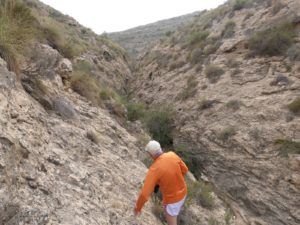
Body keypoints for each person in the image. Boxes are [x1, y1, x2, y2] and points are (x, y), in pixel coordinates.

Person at [134, 140, 188, 225]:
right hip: (183, 192)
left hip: (172, 200)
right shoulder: (172, 155)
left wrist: (138, 208)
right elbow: (185, 170)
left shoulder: (154, 169)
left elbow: (144, 194)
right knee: (176, 213)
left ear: (151, 154)